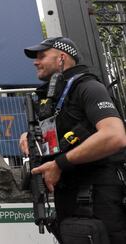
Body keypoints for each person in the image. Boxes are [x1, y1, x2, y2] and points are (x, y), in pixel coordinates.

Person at [19, 36, 126, 243]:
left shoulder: (88, 87)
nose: (35, 61)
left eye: (42, 56)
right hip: (69, 196)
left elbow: (114, 135)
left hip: (98, 195)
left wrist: (60, 164)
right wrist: (29, 136)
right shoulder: (53, 99)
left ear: (62, 58)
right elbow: (62, 136)